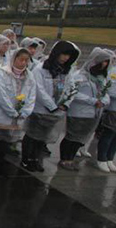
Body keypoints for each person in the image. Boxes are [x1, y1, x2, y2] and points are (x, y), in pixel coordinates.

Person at [21, 41, 80, 172]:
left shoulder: (66, 71)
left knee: (42, 138)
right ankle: (26, 159)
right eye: (64, 54)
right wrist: (52, 105)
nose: (66, 58)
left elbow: (71, 88)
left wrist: (65, 103)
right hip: (40, 109)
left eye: (68, 56)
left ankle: (36, 158)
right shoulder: (41, 69)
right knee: (32, 135)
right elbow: (39, 89)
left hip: (56, 110)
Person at [0, 48, 37, 177]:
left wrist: (25, 111)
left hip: (16, 117)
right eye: (21, 59)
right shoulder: (2, 73)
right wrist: (11, 111)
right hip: (0, 115)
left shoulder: (29, 76)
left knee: (5, 143)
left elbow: (31, 95)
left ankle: (0, 165)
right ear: (14, 59)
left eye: (26, 60)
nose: (23, 63)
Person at [60, 48, 114, 171]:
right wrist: (93, 101)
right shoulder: (80, 76)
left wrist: (103, 101)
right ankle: (64, 159)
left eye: (107, 62)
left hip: (93, 113)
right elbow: (73, 93)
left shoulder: (101, 78)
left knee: (79, 139)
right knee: (71, 137)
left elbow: (106, 93)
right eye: (102, 61)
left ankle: (71, 159)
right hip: (78, 112)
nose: (104, 65)